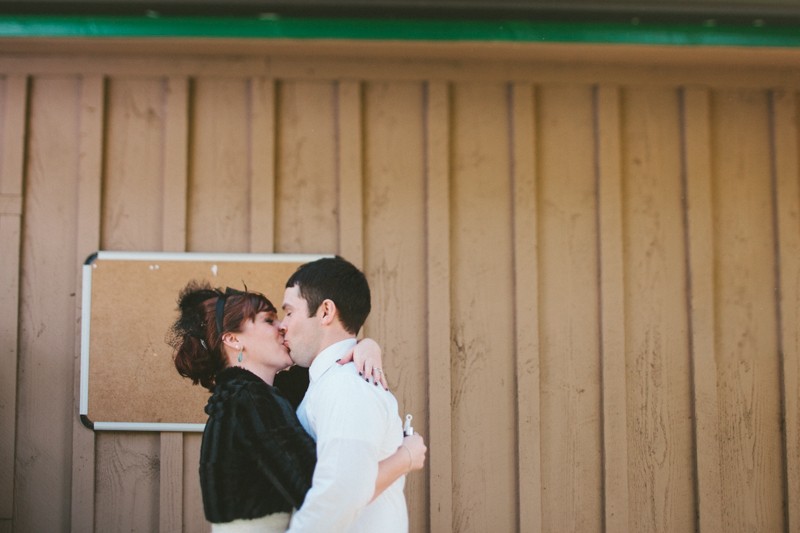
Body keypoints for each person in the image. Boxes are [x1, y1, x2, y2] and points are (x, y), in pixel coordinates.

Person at [168, 281, 425, 532]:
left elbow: (328, 358)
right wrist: (406, 457)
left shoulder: (248, 395)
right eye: (268, 320)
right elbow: (325, 495)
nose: (282, 326)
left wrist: (366, 346)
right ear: (233, 340)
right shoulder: (250, 401)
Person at [281, 257, 415, 533]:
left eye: (289, 312)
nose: (282, 324)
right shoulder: (327, 381)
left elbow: (341, 492)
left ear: (326, 311)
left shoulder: (347, 386)